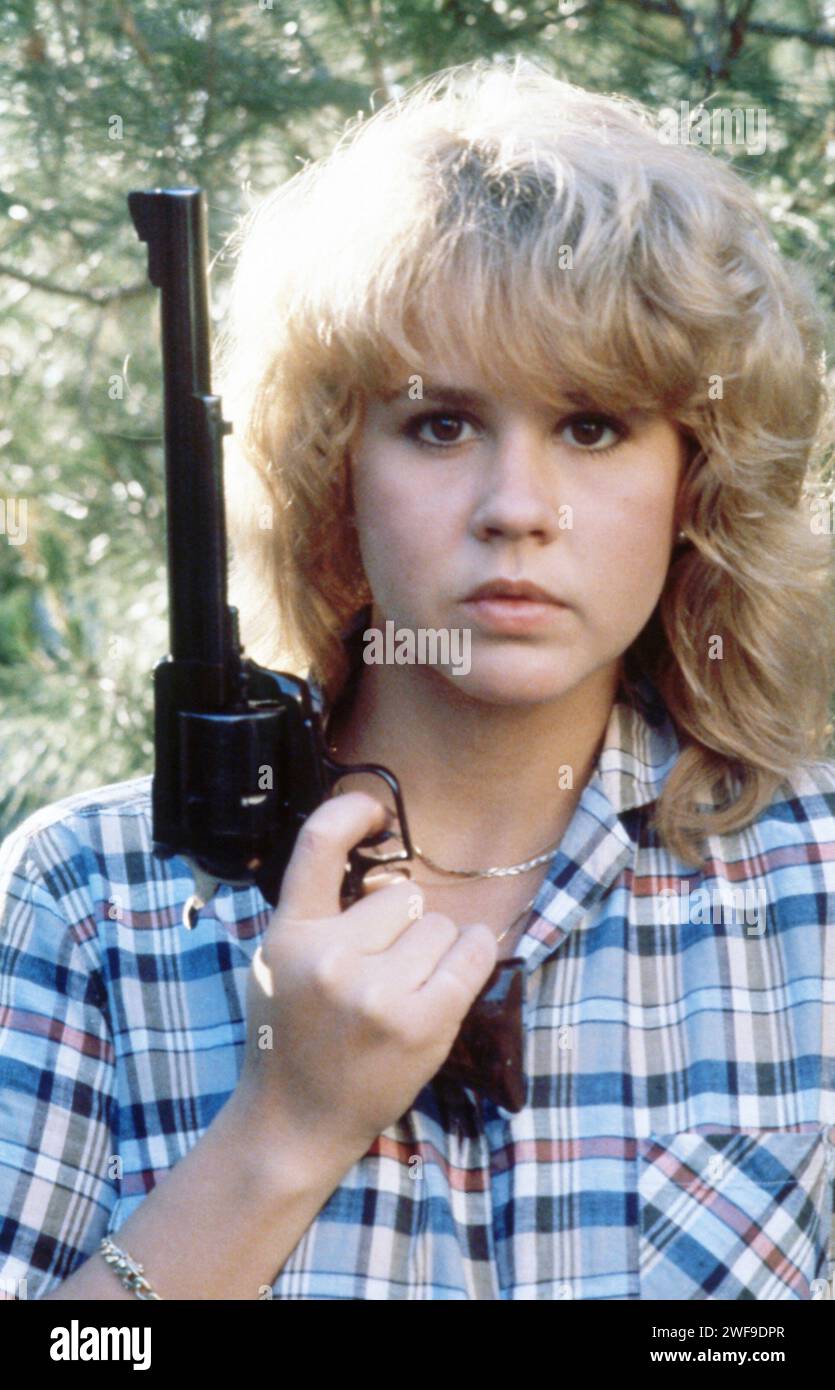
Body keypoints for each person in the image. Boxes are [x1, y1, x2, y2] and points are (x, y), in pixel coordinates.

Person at [1, 54, 834, 1302]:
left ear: (693, 481)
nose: (517, 510)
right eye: (439, 422)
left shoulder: (812, 886)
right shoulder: (92, 902)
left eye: (593, 425)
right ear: (334, 467)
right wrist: (279, 1133)